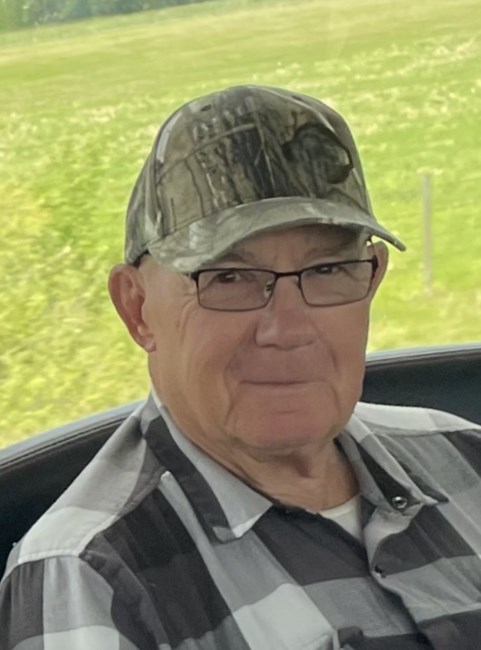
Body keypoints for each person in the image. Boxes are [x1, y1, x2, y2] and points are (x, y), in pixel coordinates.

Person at [1, 85, 481, 650]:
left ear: (372, 276)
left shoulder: (465, 459)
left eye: (327, 270)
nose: (288, 328)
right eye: (228, 278)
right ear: (138, 307)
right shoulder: (92, 579)